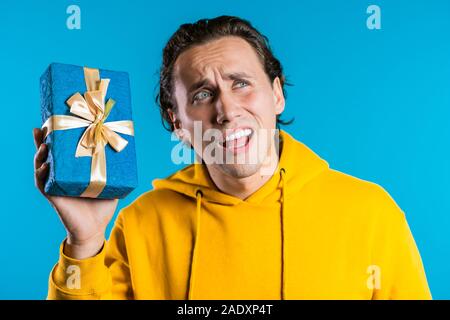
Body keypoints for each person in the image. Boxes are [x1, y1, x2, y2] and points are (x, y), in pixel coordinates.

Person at [33, 15, 431, 299]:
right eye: (202, 95)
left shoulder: (371, 213)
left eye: (241, 84)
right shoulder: (140, 223)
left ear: (276, 94)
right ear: (177, 122)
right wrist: (83, 242)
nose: (226, 111)